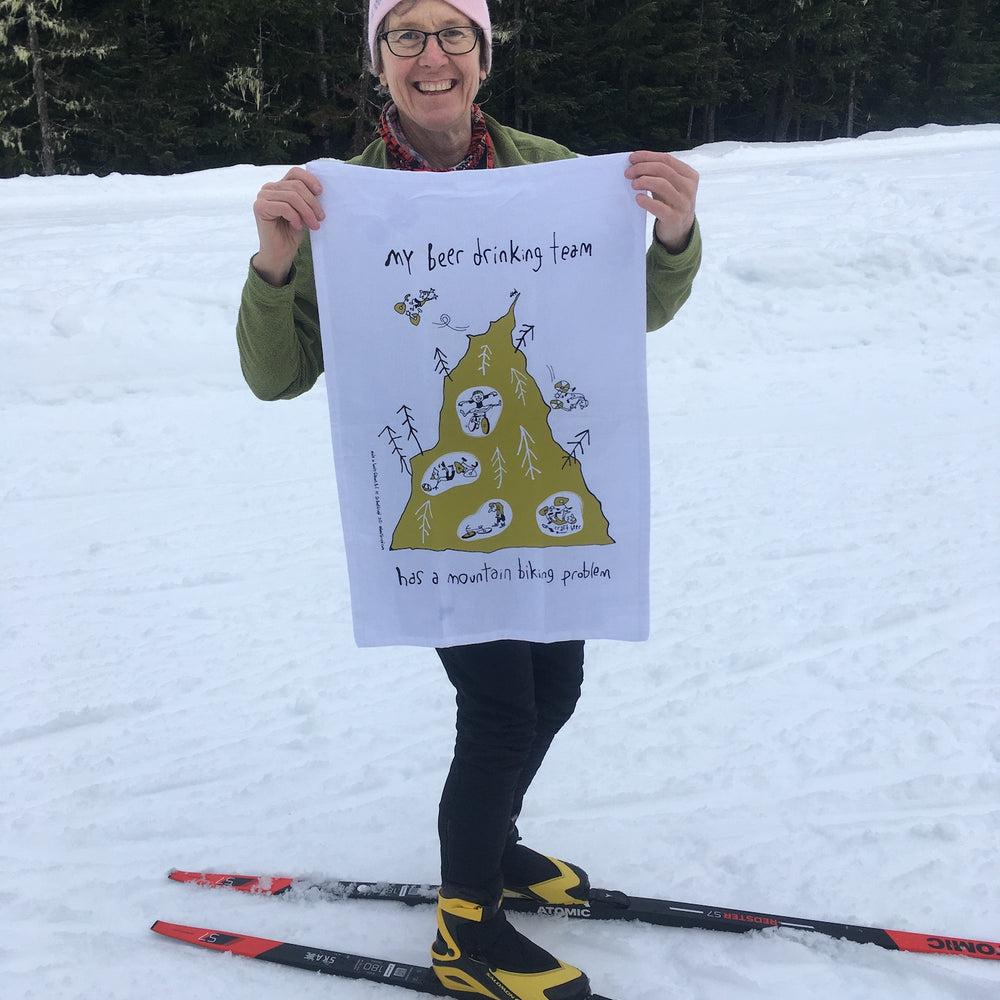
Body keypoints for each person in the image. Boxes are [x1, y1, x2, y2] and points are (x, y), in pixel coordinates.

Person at [236, 2, 701, 998]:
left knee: (557, 688)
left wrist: (671, 235)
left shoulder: (553, 171)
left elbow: (633, 313)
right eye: (405, 35)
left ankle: (495, 841)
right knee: (496, 711)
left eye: (453, 34)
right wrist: (276, 259)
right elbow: (275, 376)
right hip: (444, 508)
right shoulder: (341, 201)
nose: (431, 55)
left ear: (483, 58)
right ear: (380, 63)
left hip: (537, 486)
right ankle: (466, 932)